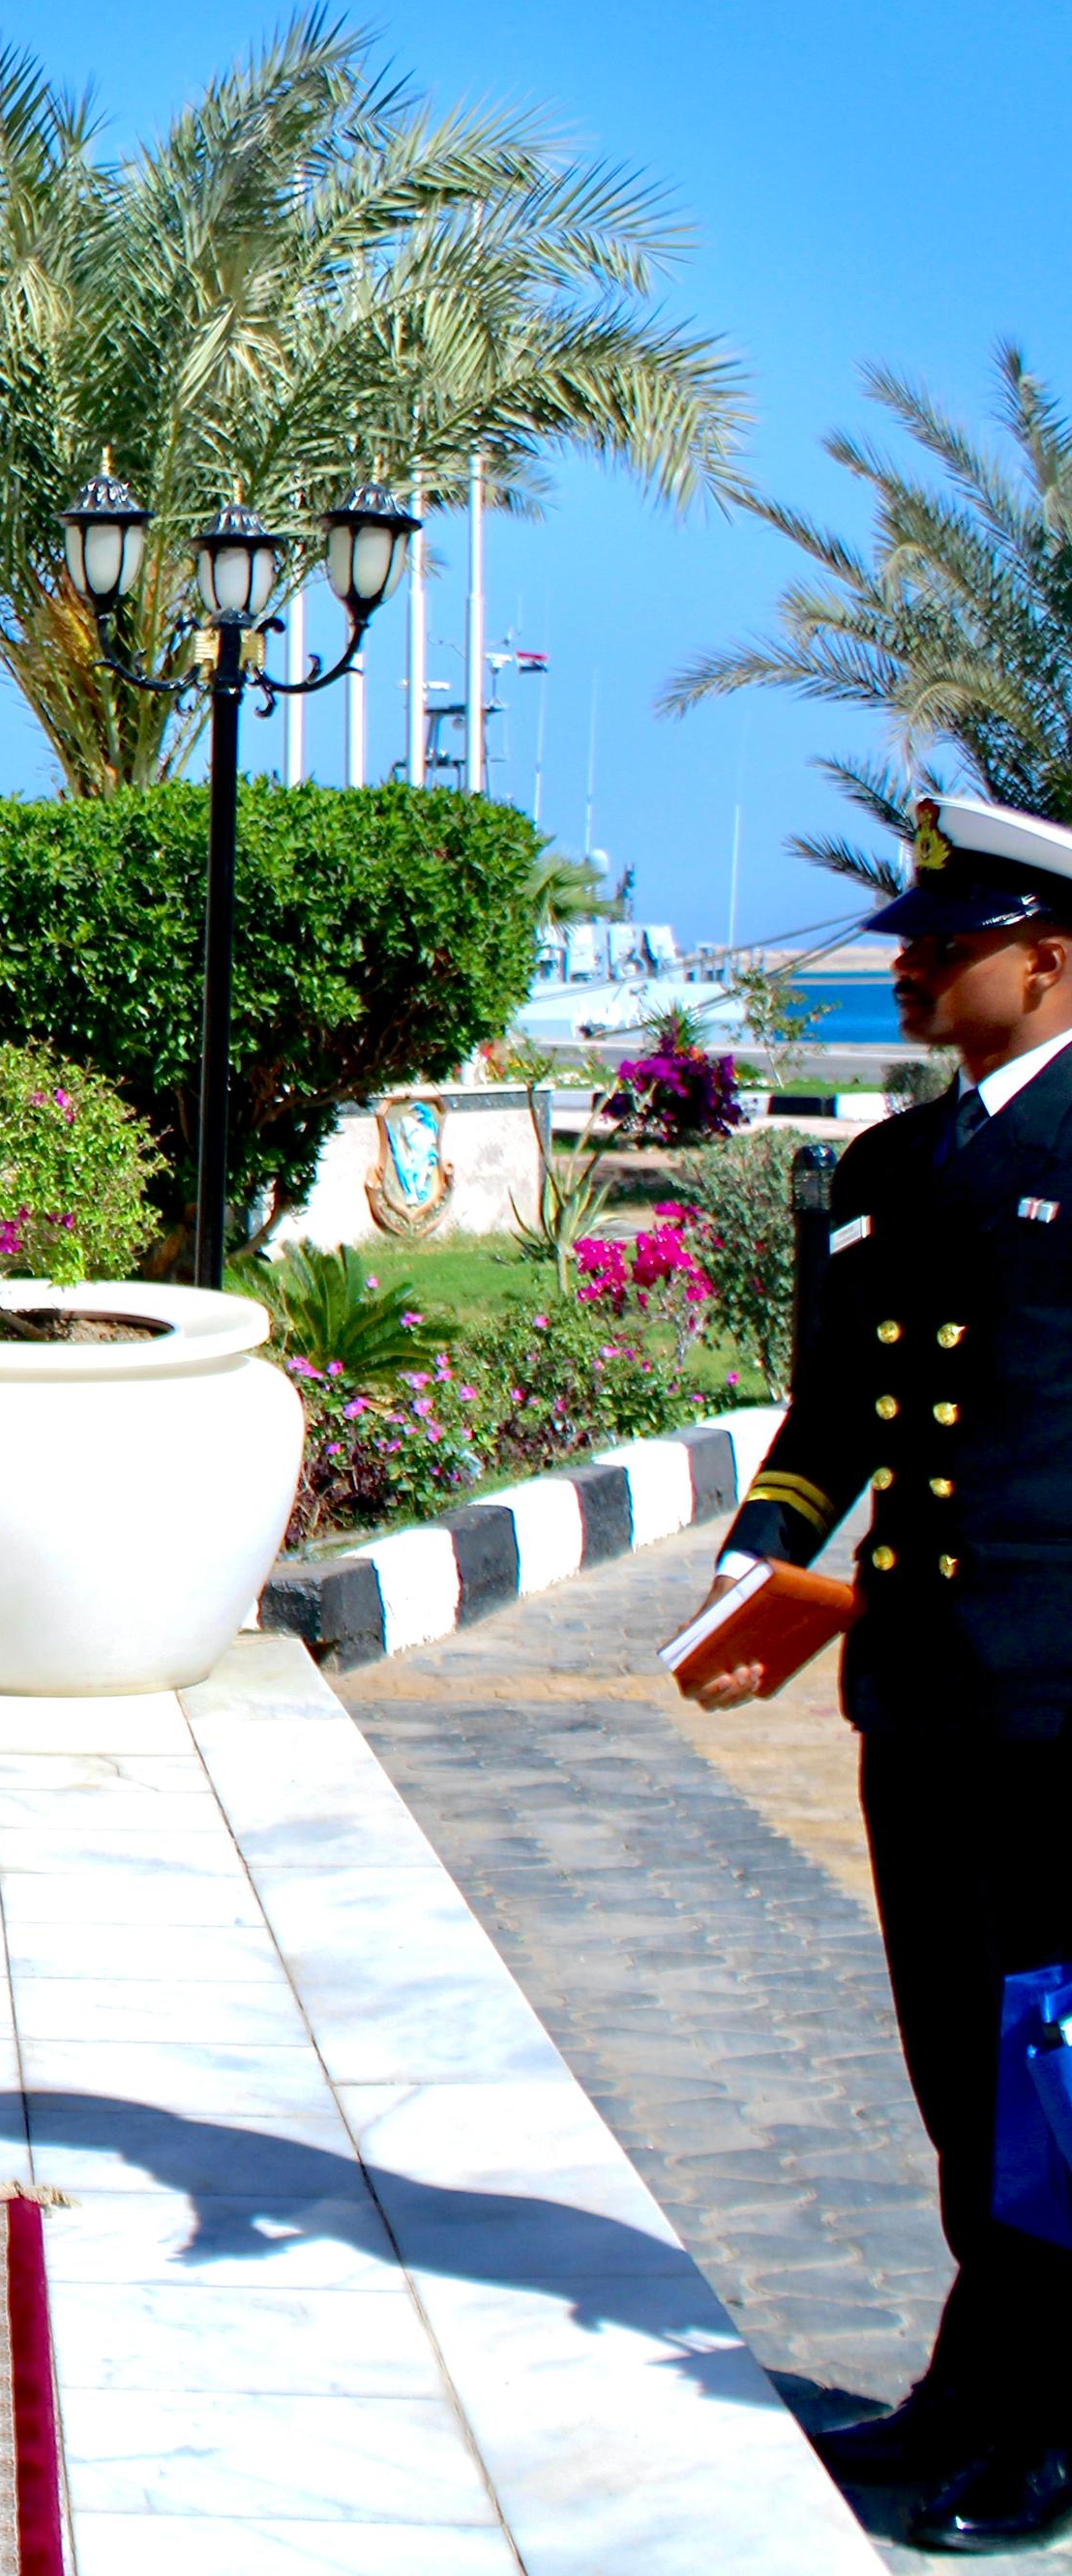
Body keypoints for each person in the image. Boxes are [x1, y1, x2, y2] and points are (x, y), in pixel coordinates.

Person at [697, 792, 1072, 2554]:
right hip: (918, 1690)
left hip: (1059, 1702)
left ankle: (1041, 2417)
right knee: (951, 2052)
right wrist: (763, 1553)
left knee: (1047, 2059)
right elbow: (839, 1407)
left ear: (1049, 959)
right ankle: (973, 2382)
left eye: (950, 941)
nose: (910, 962)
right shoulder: (892, 1170)